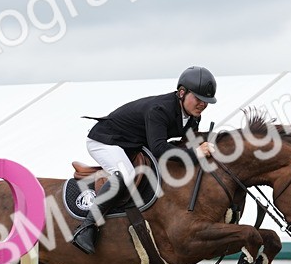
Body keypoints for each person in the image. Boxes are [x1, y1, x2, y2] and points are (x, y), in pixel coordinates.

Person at [71, 66, 219, 254]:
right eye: (198, 99)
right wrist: (196, 153)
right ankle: (86, 227)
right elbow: (158, 148)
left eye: (206, 101)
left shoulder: (192, 117)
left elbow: (184, 145)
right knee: (126, 174)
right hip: (105, 141)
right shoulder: (160, 110)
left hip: (131, 144)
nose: (202, 105)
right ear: (182, 93)